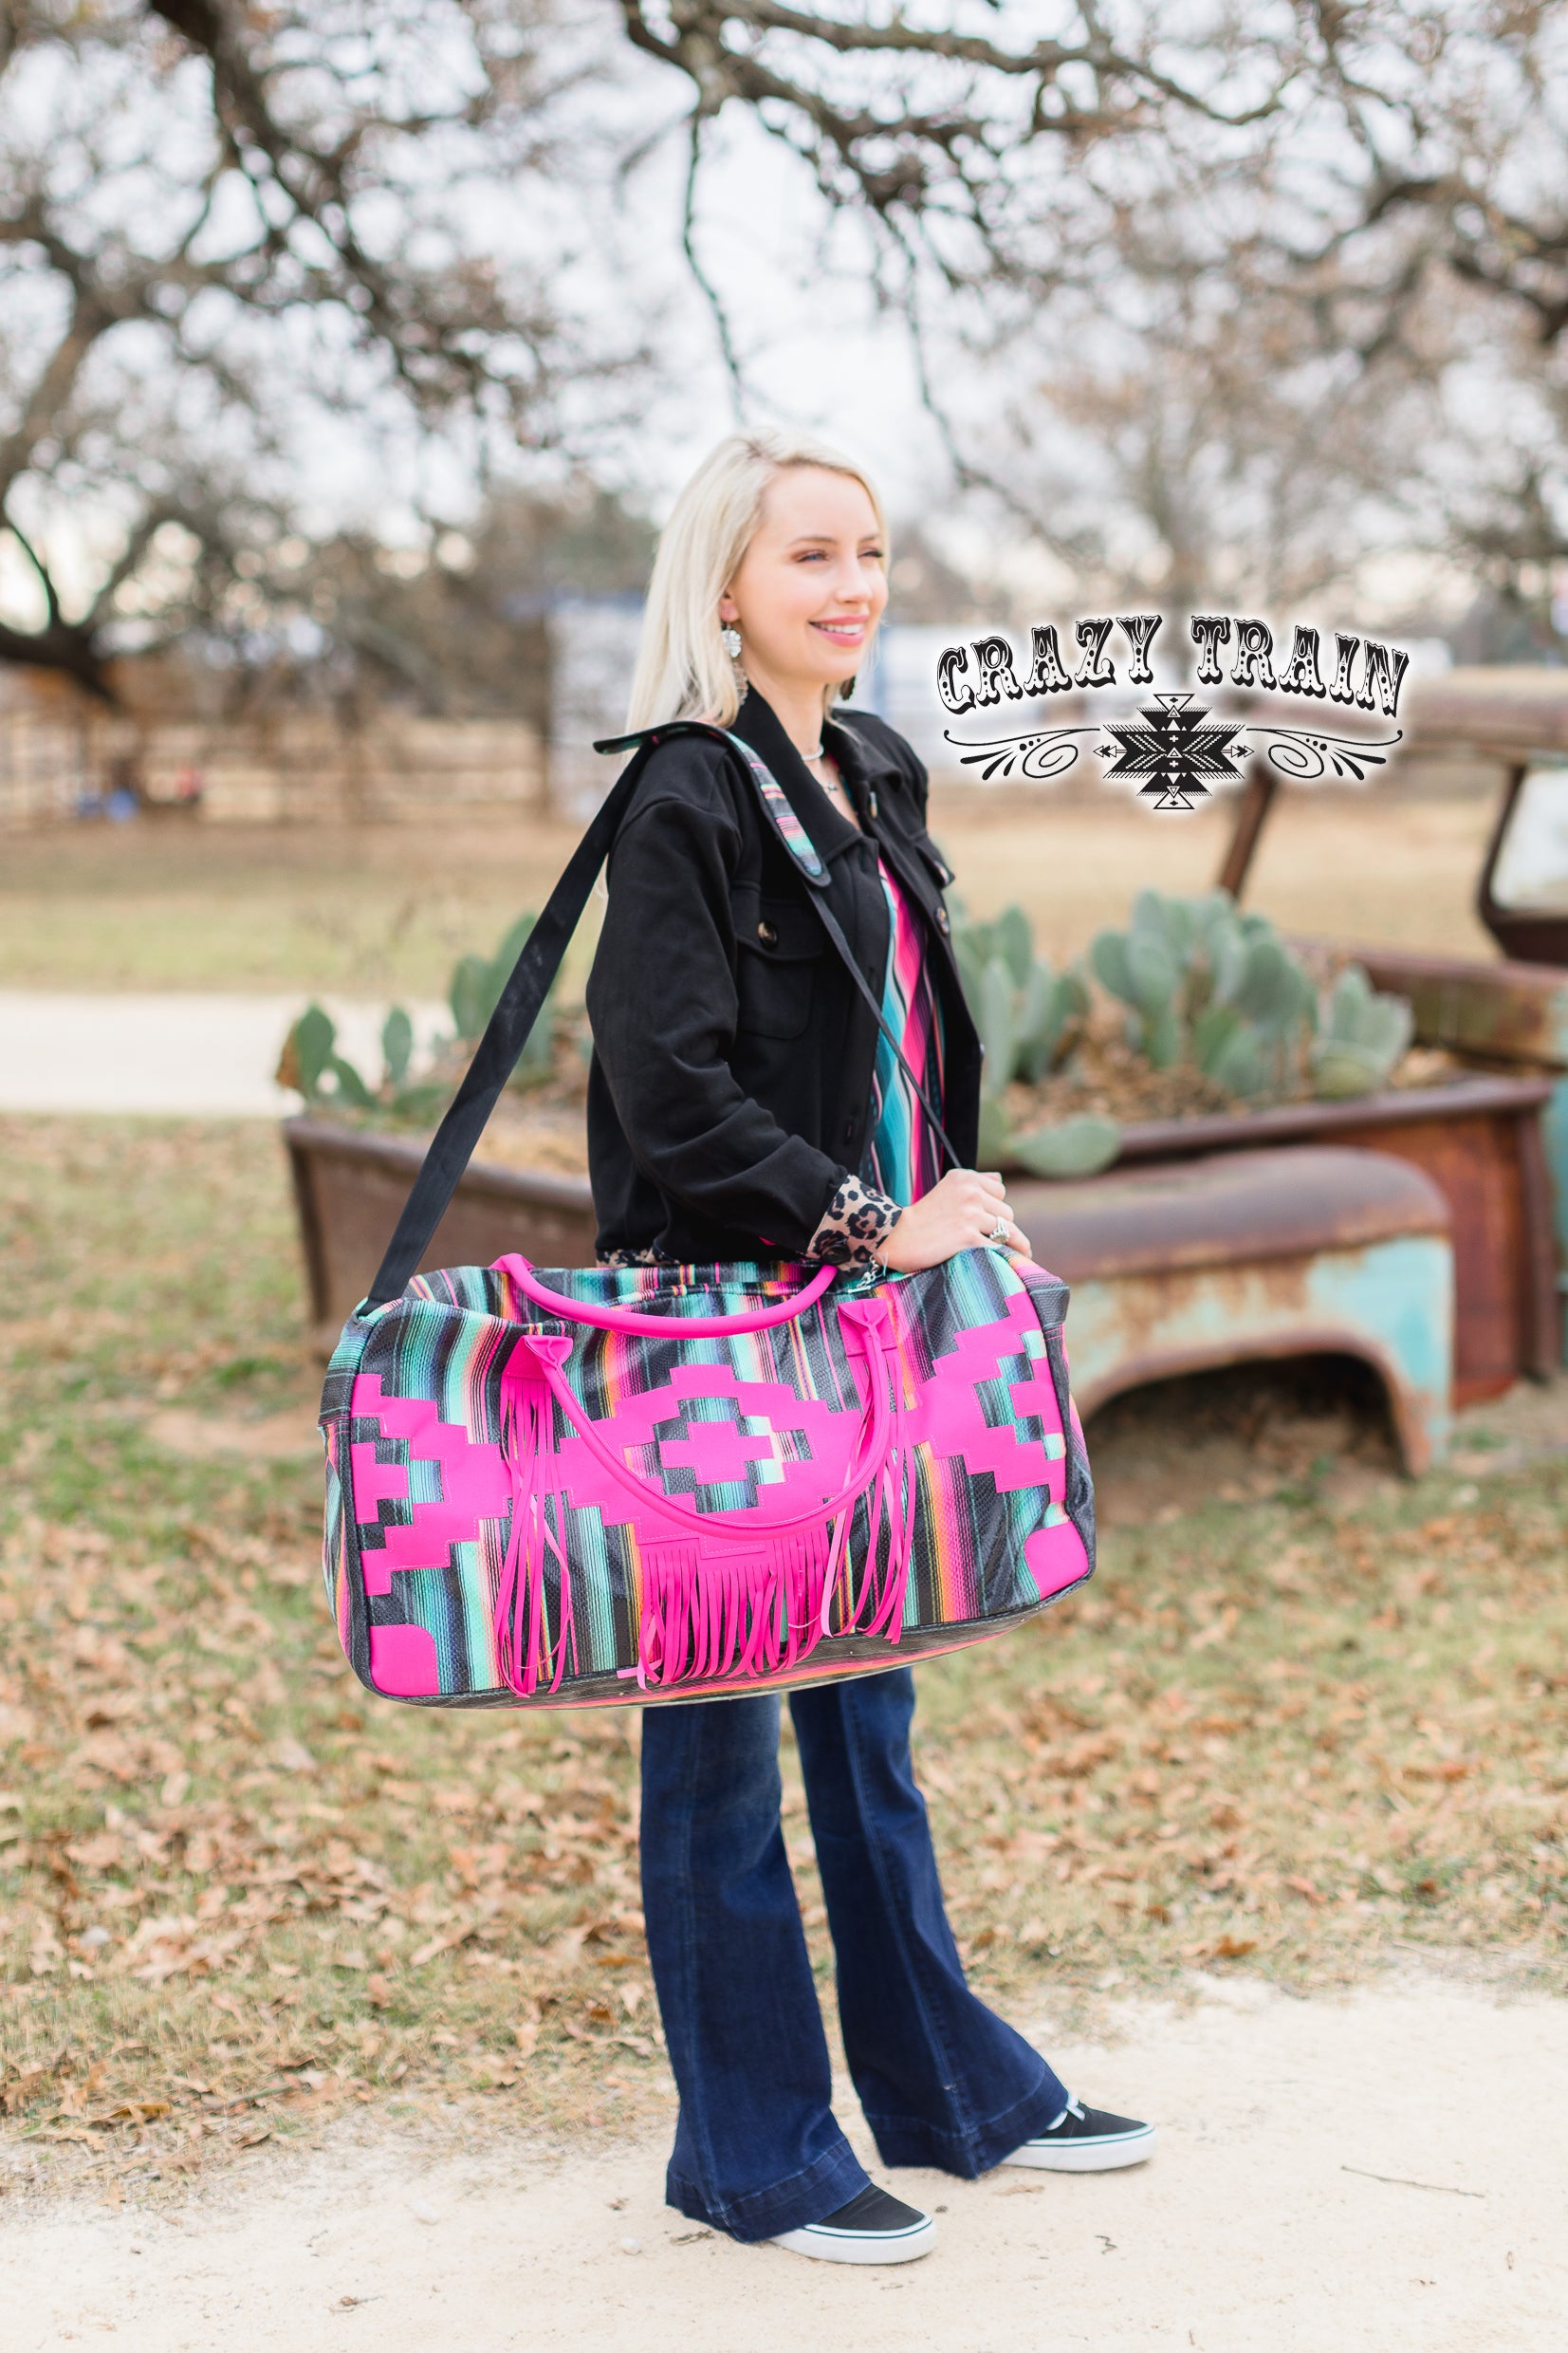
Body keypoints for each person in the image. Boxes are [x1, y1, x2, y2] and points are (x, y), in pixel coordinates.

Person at [584, 431, 1153, 2266]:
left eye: (872, 553)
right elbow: (666, 1089)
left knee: (869, 1711)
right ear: (726, 582)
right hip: (723, 1323)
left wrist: (942, 1197)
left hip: (871, 1324)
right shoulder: (680, 796)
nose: (851, 583)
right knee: (718, 1741)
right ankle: (749, 2150)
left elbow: (895, 1030)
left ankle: (948, 2094)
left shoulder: (873, 767)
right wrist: (855, 1213)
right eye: (810, 554)